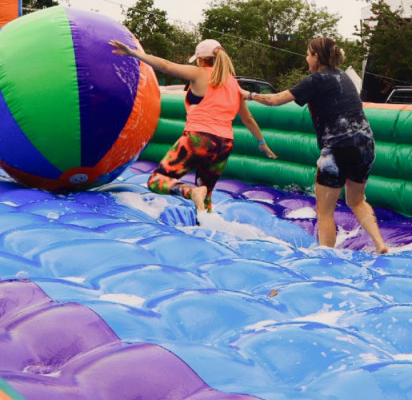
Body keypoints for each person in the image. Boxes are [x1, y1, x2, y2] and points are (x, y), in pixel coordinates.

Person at [246, 37, 388, 254]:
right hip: (366, 144)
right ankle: (380, 244)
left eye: (307, 53)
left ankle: (326, 256)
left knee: (324, 210)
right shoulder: (344, 77)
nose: (305, 57)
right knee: (356, 200)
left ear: (316, 57)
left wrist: (248, 94)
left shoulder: (315, 80)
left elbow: (275, 100)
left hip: (338, 147)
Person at [109, 37, 276, 213]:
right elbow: (247, 118)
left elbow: (166, 66)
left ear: (201, 59)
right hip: (224, 144)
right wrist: (262, 143)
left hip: (198, 139)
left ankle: (191, 192)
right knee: (207, 195)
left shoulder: (199, 73)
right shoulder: (233, 83)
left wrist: (133, 53)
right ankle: (205, 225)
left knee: (157, 180)